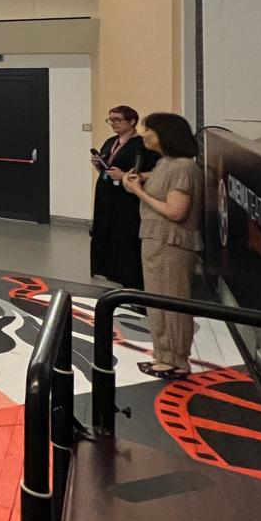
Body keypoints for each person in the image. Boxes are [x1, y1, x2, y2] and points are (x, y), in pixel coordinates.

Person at [122, 112, 203, 380]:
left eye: (150, 130)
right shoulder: (165, 163)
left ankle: (176, 359)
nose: (145, 134)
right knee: (157, 300)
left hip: (172, 243)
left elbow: (176, 211)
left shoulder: (183, 167)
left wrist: (139, 193)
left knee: (172, 301)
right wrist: (141, 179)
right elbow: (162, 185)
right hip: (155, 240)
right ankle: (163, 353)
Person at [90, 105, 159, 288]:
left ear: (132, 121)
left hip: (126, 196)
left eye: (117, 120)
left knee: (125, 232)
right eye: (110, 120)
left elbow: (150, 172)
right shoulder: (110, 141)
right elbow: (108, 166)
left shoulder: (142, 145)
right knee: (105, 228)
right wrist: (99, 165)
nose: (113, 124)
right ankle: (106, 269)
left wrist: (123, 177)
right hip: (106, 191)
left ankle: (126, 274)